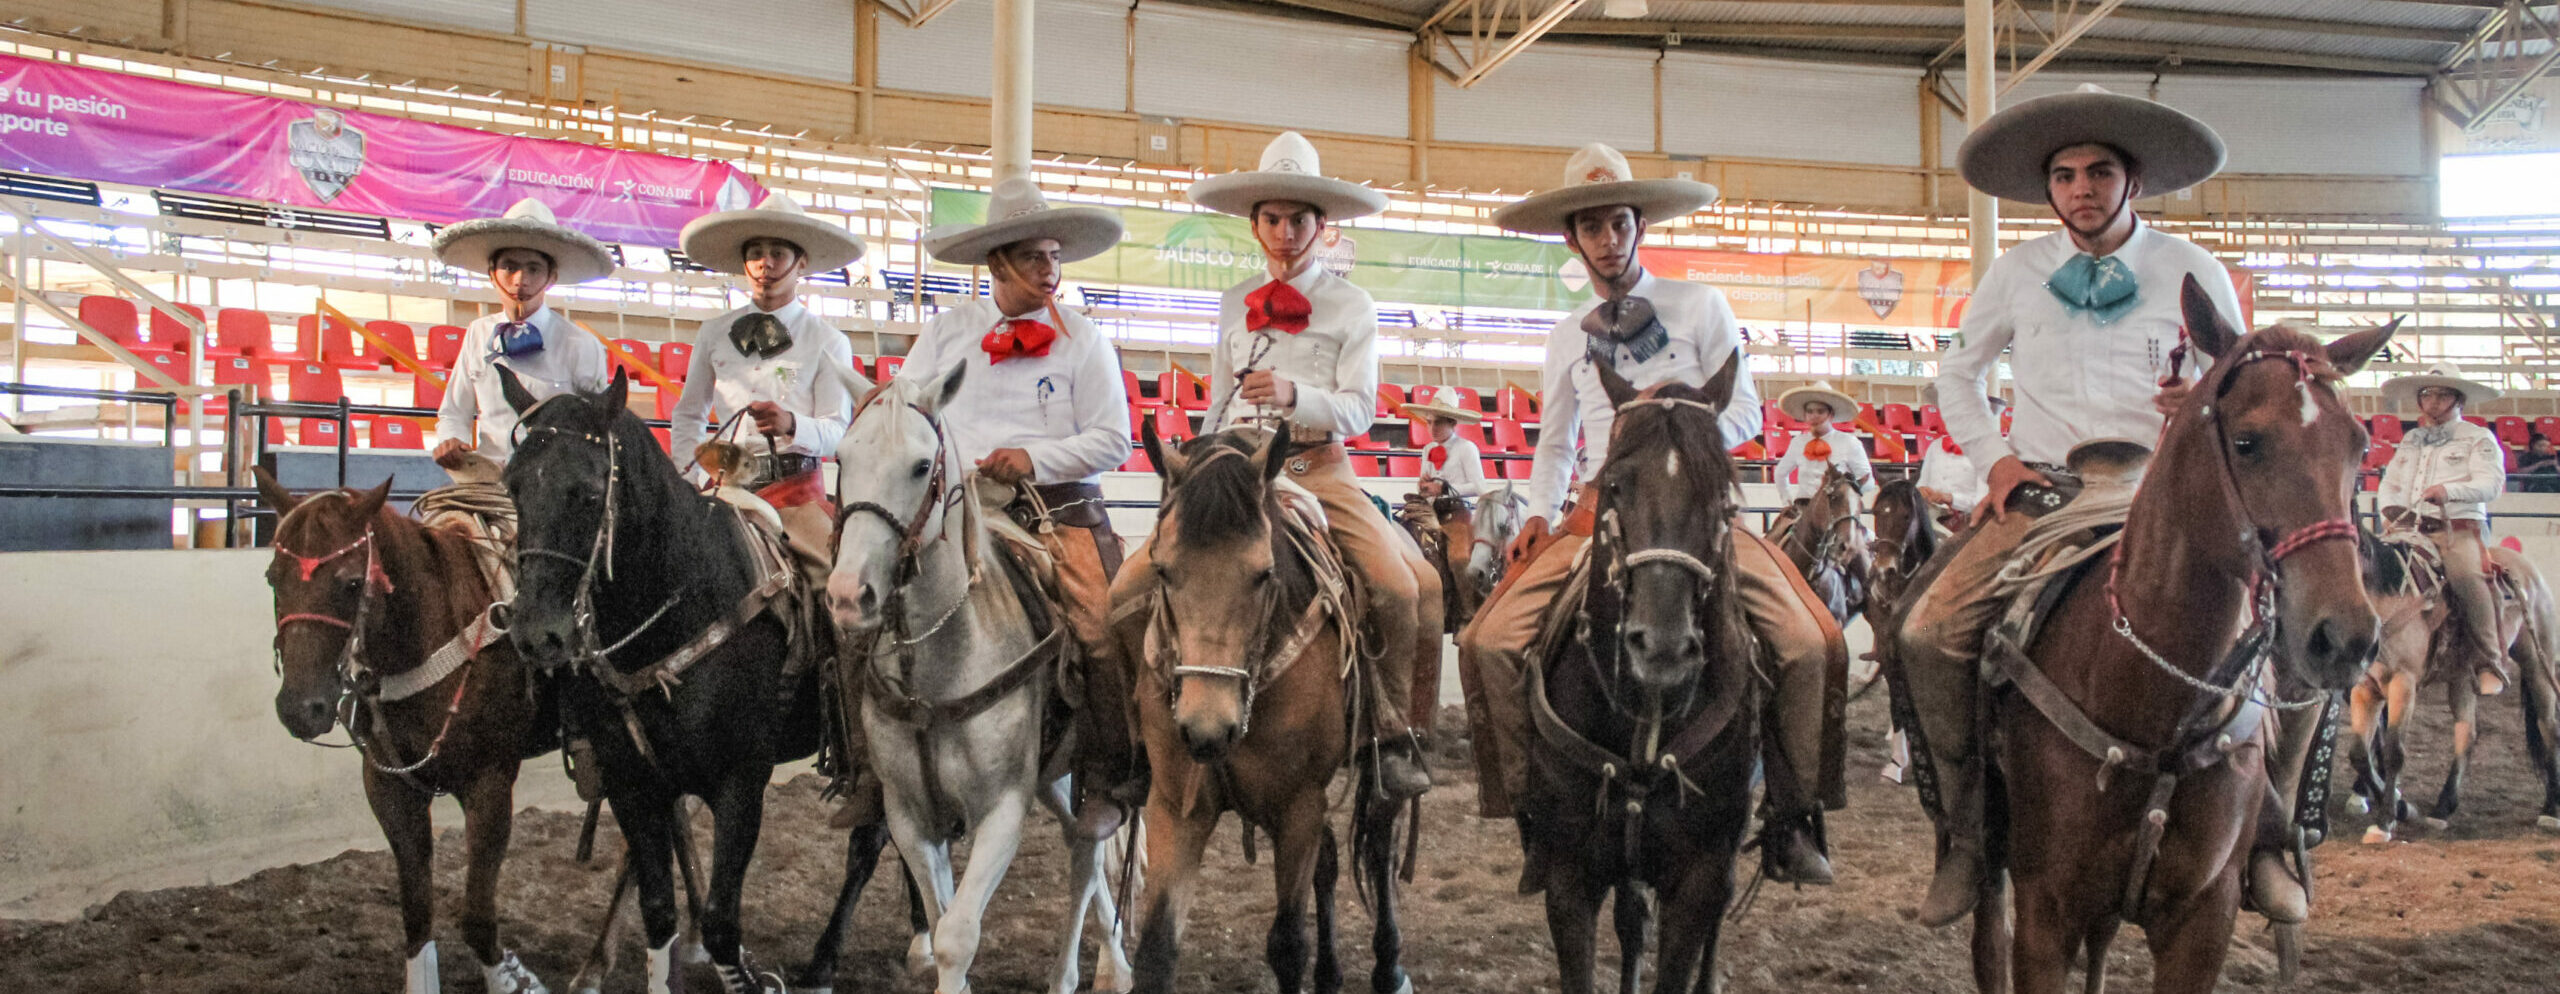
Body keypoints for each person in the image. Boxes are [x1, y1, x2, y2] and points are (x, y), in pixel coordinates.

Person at [1897, 84, 2273, 927]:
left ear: (2132, 180)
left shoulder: (2192, 268)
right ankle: (1963, 835)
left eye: (2099, 170)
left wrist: (2204, 399)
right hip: (2047, 493)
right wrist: (1991, 461)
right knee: (1925, 635)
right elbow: (1956, 373)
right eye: (2064, 175)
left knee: (2280, 627)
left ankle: (2275, 830)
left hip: (2164, 497)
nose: (2081, 188)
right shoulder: (2016, 272)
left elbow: (2241, 380)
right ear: (2049, 188)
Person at [1458, 141, 1846, 886]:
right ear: (1574, 239)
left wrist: (1678, 426)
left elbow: (1747, 414)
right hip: (1600, 510)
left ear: (1640, 227)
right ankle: (1532, 811)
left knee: (1810, 640)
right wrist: (1540, 511)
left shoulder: (1702, 305)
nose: (1608, 240)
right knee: (1488, 640)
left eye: (1619, 225)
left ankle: (1794, 815)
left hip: (1694, 507)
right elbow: (1556, 440)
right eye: (1592, 228)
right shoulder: (1568, 334)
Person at [1108, 131, 1442, 801]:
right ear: (1255, 225)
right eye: (1272, 219)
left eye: (1298, 219)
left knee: (1407, 589)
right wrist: (1195, 468)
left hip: (1319, 466)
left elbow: (1361, 408)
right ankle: (1135, 740)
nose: (1285, 232)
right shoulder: (1235, 301)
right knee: (1122, 596)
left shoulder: (1354, 307)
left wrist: (1296, 397)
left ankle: (1393, 731)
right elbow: (1215, 402)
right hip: (1230, 472)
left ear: (1323, 226)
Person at [907, 176, 1135, 822]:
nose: (1050, 269)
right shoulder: (947, 331)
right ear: (997, 262)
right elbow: (908, 409)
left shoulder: (1084, 339)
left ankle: (1105, 775)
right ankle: (875, 765)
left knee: (1100, 627)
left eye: (1055, 255)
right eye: (1035, 256)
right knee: (875, 612)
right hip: (955, 506)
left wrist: (1033, 458)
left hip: (1054, 510)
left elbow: (1113, 440)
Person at [672, 191, 866, 568]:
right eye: (756, 253)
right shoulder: (712, 332)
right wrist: (690, 478)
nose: (766, 263)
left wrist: (792, 424)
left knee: (831, 581)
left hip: (798, 496)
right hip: (727, 489)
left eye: (778, 253)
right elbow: (689, 414)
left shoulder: (828, 341)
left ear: (801, 263)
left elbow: (839, 430)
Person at [428, 198, 616, 467]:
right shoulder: (477, 333)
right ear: (492, 274)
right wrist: (452, 440)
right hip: (488, 478)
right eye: (509, 267)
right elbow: (454, 412)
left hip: (554, 483)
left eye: (533, 269)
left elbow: (597, 424)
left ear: (551, 277)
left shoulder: (581, 344)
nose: (520, 280)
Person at [2375, 362, 2510, 696]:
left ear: (2458, 400)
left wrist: (2448, 492)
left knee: (2466, 576)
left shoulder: (2479, 438)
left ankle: (2490, 660)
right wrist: (2388, 511)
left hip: (2458, 530)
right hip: (2409, 527)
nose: (2432, 401)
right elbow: (2390, 482)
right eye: (2426, 394)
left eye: (2441, 394)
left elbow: (2491, 484)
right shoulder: (2411, 439)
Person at [1772, 381, 1878, 507]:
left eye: (1820, 411)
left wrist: (1848, 492)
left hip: (1837, 508)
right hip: (1804, 505)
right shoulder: (1797, 442)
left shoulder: (1849, 442)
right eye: (1810, 412)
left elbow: (1868, 481)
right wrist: (1787, 501)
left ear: (1831, 415)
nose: (1814, 416)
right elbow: (1780, 473)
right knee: (1780, 527)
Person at [1915, 384, 2003, 524]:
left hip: (1968, 521)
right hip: (1931, 517)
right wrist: (1922, 491)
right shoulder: (1935, 446)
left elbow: (1983, 500)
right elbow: (1922, 483)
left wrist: (1951, 498)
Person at [1404, 385, 1489, 502]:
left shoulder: (1466, 447)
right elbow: (1425, 488)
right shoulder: (1427, 449)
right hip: (1432, 510)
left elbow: (1480, 487)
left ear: (1452, 423)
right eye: (1429, 422)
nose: (1432, 428)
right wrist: (1423, 486)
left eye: (1438, 423)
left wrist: (1443, 489)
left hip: (1458, 510)